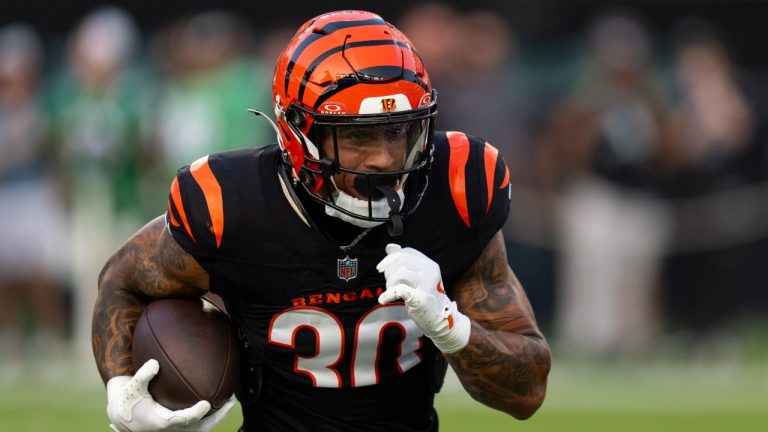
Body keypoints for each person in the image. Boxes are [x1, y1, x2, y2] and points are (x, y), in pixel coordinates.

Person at [92, 10, 550, 432]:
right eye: (356, 136)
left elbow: (527, 393)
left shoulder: (455, 191)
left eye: (398, 131)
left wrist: (452, 328)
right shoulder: (233, 204)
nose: (384, 159)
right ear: (296, 134)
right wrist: (120, 389)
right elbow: (121, 279)